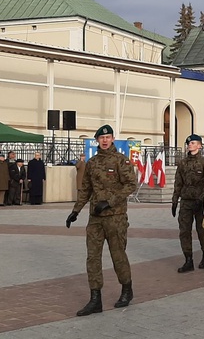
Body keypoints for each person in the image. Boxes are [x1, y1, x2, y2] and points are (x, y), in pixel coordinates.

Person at [65, 124, 138, 316]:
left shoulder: (121, 161)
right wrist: (76, 211)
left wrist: (110, 201)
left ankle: (127, 290)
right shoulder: (92, 162)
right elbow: (86, 189)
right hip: (95, 218)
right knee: (93, 258)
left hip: (115, 217)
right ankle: (95, 299)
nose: (105, 141)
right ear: (97, 140)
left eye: (108, 137)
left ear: (113, 139)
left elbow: (131, 185)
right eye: (101, 138)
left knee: (118, 256)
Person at [171, 134, 204, 273]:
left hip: (200, 202)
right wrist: (175, 200)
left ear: (199, 146)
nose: (190, 145)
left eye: (193, 143)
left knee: (202, 231)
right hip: (186, 202)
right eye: (189, 143)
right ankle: (188, 260)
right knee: (184, 231)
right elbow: (178, 182)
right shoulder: (183, 163)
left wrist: (202, 198)